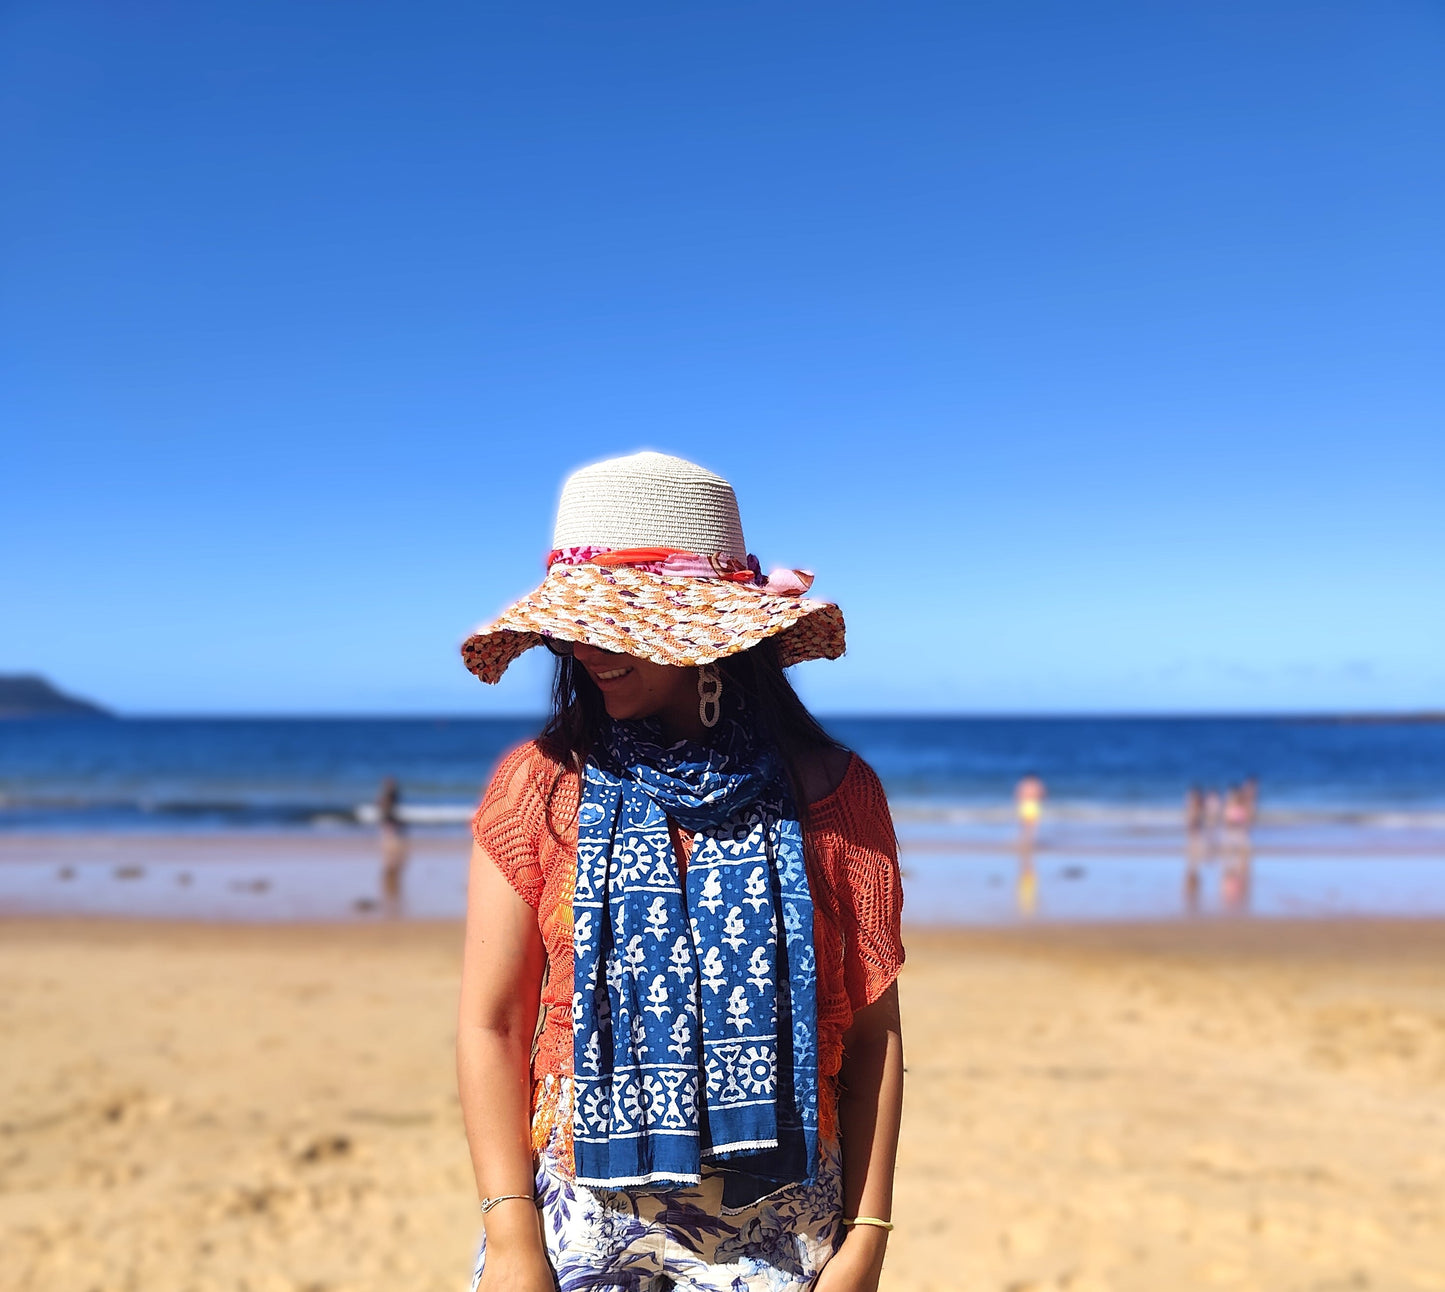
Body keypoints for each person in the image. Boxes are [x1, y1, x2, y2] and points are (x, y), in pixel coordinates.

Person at [455, 452, 906, 1292]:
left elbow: (875, 1039)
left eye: (619, 624)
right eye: (576, 625)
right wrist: (513, 1241)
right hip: (578, 1228)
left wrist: (866, 1243)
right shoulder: (539, 787)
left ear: (712, 638)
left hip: (786, 1232)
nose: (584, 649)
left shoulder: (836, 796)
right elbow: (492, 1026)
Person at [377, 775, 408, 901]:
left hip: (389, 826)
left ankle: (390, 871)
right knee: (391, 853)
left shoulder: (389, 796)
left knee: (391, 854)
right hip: (389, 826)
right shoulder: (389, 797)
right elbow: (385, 811)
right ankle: (390, 871)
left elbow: (383, 809)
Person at [1014, 773, 1045, 849]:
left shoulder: (1023, 784)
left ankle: (1026, 841)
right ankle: (1027, 841)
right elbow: (1043, 794)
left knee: (1027, 825)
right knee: (1030, 825)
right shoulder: (1037, 784)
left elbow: (1017, 794)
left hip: (1027, 804)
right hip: (1032, 805)